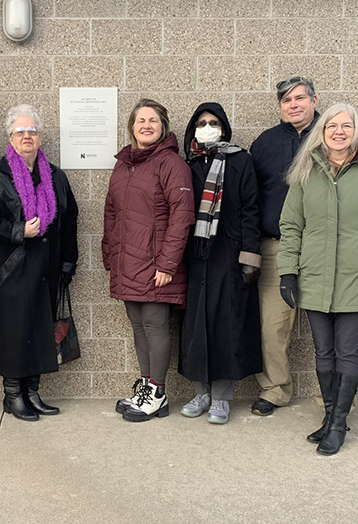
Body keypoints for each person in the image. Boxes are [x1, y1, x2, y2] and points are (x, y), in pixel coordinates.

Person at [277, 103, 358, 456]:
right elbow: (291, 225)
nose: (339, 132)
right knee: (323, 351)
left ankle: (339, 423)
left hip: (355, 276)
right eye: (333, 125)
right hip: (314, 275)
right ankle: (330, 417)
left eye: (347, 126)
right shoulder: (305, 171)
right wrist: (288, 272)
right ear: (323, 130)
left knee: (346, 351)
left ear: (355, 132)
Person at [0, 105, 78, 421]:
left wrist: (68, 261)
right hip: (14, 265)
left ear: (41, 136)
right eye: (21, 131)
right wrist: (19, 230)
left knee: (42, 329)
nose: (27, 136)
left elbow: (69, 219)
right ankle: (13, 395)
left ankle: (33, 392)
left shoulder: (55, 175)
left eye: (32, 131)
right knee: (16, 330)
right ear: (10, 137)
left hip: (48, 265)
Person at [103, 99, 195, 422]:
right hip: (128, 264)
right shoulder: (123, 164)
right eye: (140, 120)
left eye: (152, 120)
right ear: (131, 127)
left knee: (156, 328)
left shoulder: (170, 164)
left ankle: (157, 393)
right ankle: (145, 388)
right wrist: (110, 256)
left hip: (157, 266)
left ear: (163, 126)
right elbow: (111, 213)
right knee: (139, 328)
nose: (146, 125)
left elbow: (182, 216)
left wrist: (168, 264)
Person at [178, 102, 262, 425]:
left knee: (226, 326)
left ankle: (222, 398)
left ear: (224, 128)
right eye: (201, 123)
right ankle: (201, 393)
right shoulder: (189, 164)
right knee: (196, 327)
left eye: (213, 122)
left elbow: (251, 211)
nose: (208, 128)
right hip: (197, 257)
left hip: (229, 255)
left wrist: (250, 257)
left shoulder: (241, 161)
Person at [249, 76, 320, 417]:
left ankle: (333, 395)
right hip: (276, 248)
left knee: (331, 323)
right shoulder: (264, 144)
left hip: (324, 247)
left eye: (299, 98)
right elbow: (250, 198)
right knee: (271, 326)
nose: (293, 105)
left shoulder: (334, 135)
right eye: (286, 101)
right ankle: (275, 389)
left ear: (314, 100)